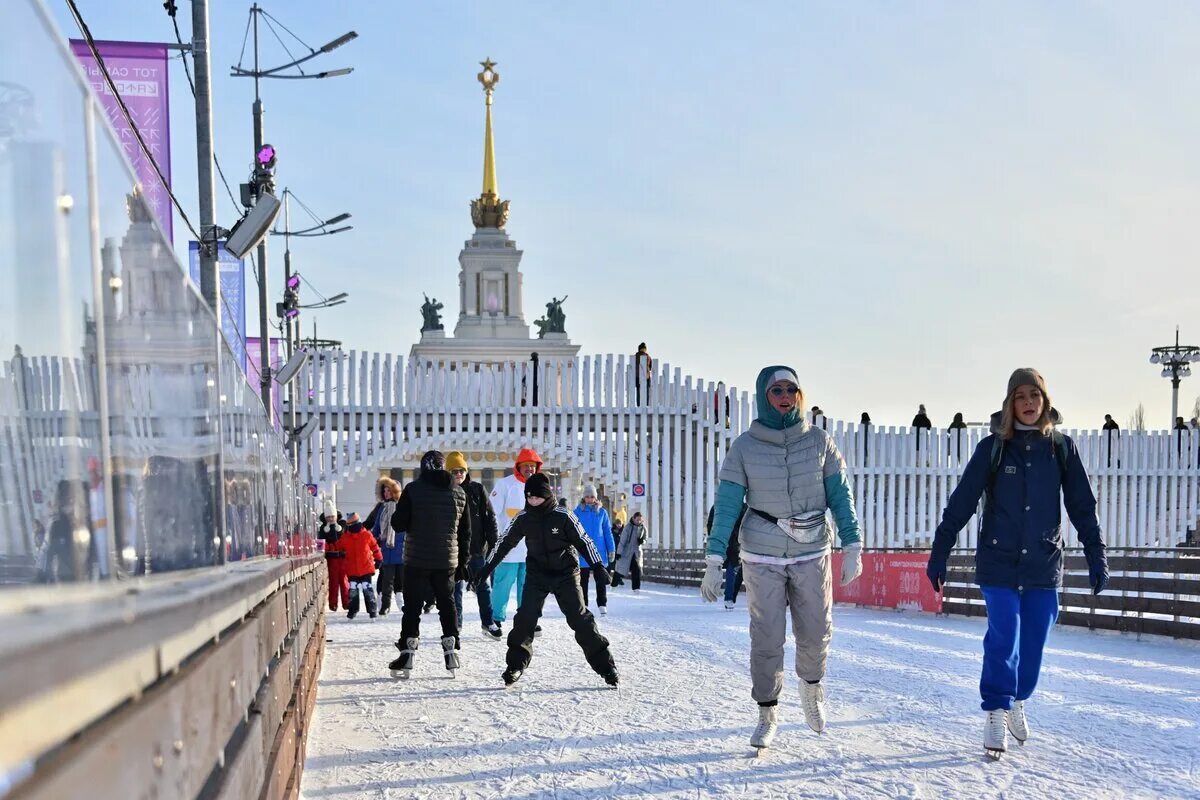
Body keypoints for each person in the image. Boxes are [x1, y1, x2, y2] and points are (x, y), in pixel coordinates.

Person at [926, 368, 1108, 760]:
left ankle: (1018, 698)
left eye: (1035, 396)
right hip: (999, 561)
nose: (1028, 403)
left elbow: (1081, 507)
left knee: (1034, 645)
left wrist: (1096, 554)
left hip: (1043, 564)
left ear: (1045, 402)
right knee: (1004, 633)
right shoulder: (993, 448)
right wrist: (940, 550)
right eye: (1021, 396)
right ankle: (995, 708)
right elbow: (962, 502)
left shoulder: (1061, 448)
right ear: (1010, 403)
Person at [700, 366, 863, 751]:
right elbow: (726, 506)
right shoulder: (744, 447)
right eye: (777, 390)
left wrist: (852, 543)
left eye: (792, 389)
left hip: (812, 551)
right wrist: (713, 558)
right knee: (767, 636)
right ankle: (767, 712)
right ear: (764, 396)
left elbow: (840, 495)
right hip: (762, 553)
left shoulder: (820, 441)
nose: (786, 395)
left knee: (815, 631)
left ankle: (811, 687)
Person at [474, 472, 619, 688]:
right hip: (537, 574)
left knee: (580, 619)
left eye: (537, 498)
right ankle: (515, 665)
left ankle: (607, 667)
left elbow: (584, 541)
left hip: (566, 574)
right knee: (525, 618)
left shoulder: (563, 515)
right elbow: (505, 542)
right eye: (529, 498)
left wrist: (598, 566)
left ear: (547, 495)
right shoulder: (524, 517)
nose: (533, 502)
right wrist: (487, 567)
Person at [388, 451, 472, 679]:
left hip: (417, 559)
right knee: (447, 603)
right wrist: (463, 561)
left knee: (413, 607)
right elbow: (465, 533)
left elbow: (399, 524)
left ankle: (407, 653)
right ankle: (451, 650)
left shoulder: (413, 490)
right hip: (447, 560)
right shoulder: (459, 492)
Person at [445, 451, 502, 640]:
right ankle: (457, 624)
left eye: (461, 470)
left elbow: (490, 518)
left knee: (483, 587)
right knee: (455, 588)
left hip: (476, 549)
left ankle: (488, 622)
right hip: (454, 550)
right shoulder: (444, 492)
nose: (459, 474)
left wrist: (494, 542)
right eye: (454, 471)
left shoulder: (477, 489)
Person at [488, 448, 543, 634]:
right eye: (526, 466)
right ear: (518, 466)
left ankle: (528, 618)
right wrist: (496, 539)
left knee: (529, 585)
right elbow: (492, 514)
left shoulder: (541, 487)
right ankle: (496, 618)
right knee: (503, 583)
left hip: (533, 548)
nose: (529, 469)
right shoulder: (505, 485)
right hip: (509, 548)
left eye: (532, 466)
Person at [329, 513, 383, 620]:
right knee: (353, 589)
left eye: (354, 524)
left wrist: (379, 558)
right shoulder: (345, 537)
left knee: (366, 588)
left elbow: (375, 547)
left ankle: (372, 610)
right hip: (352, 569)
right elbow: (337, 546)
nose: (352, 527)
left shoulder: (366, 535)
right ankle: (353, 610)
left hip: (365, 568)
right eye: (350, 525)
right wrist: (325, 546)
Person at [365, 477, 404, 616]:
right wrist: (369, 538)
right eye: (385, 490)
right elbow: (375, 527)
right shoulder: (381, 508)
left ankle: (402, 604)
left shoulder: (402, 506)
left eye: (389, 490)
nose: (386, 493)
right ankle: (385, 606)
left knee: (402, 578)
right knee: (387, 579)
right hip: (386, 549)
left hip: (401, 548)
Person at [574, 484, 615, 613]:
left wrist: (611, 549)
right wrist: (574, 548)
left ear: (596, 498)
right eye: (587, 497)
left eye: (592, 497)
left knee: (600, 579)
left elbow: (607, 532)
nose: (590, 499)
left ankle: (602, 603)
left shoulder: (602, 512)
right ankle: (584, 604)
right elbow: (573, 532)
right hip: (583, 550)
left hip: (599, 551)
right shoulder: (577, 512)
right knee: (583, 580)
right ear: (583, 497)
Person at [706, 501, 747, 609]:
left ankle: (725, 596)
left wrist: (714, 537)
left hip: (726, 541)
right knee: (730, 568)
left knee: (728, 568)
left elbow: (710, 523)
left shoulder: (717, 506)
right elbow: (746, 524)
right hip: (733, 541)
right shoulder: (742, 506)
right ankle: (727, 598)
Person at [318, 504, 349, 612]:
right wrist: (330, 548)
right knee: (333, 582)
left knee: (344, 581)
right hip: (331, 559)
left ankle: (347, 603)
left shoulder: (343, 525)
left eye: (332, 516)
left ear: (336, 516)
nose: (331, 519)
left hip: (343, 558)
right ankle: (333, 604)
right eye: (328, 517)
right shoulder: (323, 528)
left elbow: (346, 540)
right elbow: (321, 544)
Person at [614, 510, 648, 592]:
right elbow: (622, 541)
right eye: (637, 520)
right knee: (620, 569)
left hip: (636, 552)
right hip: (626, 552)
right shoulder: (628, 527)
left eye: (640, 520)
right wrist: (618, 553)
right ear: (633, 519)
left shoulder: (643, 528)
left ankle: (636, 588)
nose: (638, 521)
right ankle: (614, 584)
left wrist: (642, 541)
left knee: (636, 569)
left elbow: (645, 538)